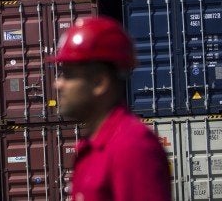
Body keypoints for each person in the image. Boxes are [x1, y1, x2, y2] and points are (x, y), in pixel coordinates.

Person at [47, 16, 171, 201]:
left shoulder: (131, 148)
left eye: (68, 75)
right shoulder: (91, 148)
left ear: (99, 82)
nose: (58, 84)